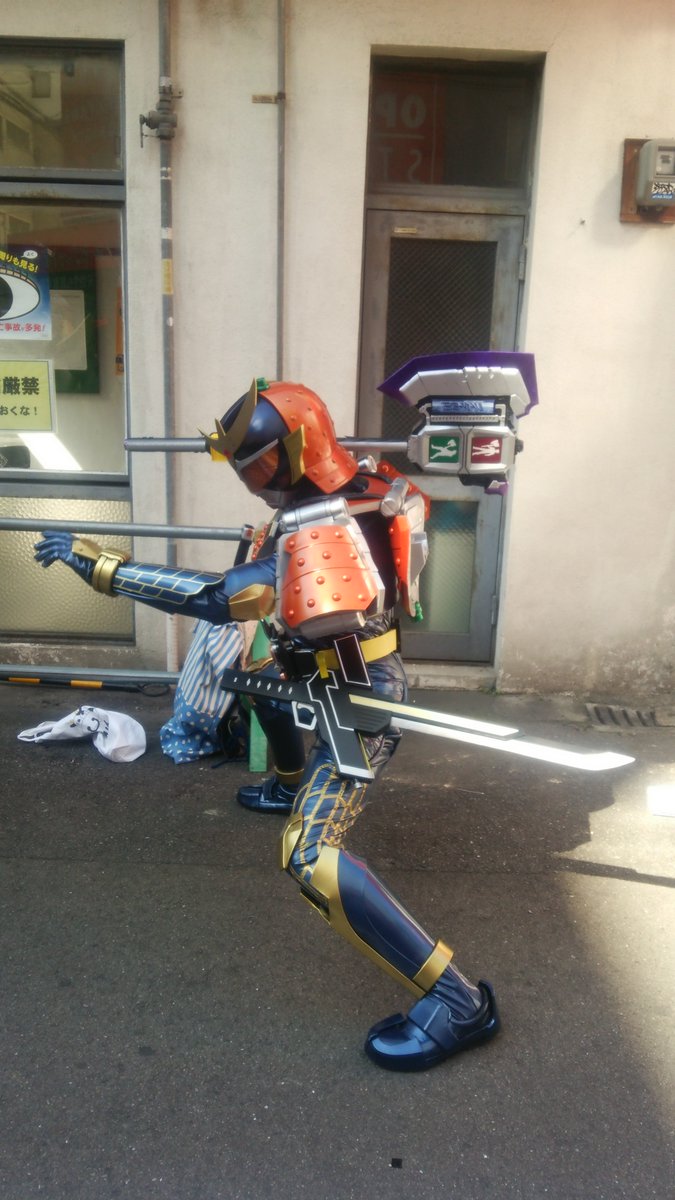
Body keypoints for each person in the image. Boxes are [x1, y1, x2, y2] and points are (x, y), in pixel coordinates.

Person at [34, 377, 499, 1071]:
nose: (254, 482)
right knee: (260, 688)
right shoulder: (370, 485)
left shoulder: (322, 527)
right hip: (317, 669)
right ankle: (286, 782)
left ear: (301, 448)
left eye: (259, 464)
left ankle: (458, 1002)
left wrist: (103, 567)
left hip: (356, 701)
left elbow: (216, 597)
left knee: (308, 856)